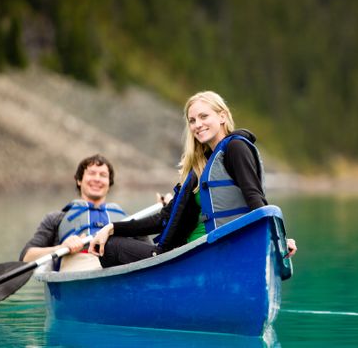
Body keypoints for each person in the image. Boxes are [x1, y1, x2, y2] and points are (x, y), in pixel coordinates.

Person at [88, 90, 297, 266]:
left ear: (222, 116)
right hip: (187, 252)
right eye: (192, 121)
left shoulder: (235, 148)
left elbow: (255, 197)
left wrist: (277, 239)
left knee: (111, 247)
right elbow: (163, 219)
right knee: (113, 238)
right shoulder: (200, 167)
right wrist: (112, 227)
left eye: (204, 117)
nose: (197, 125)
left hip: (209, 253)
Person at [19, 153, 131, 267]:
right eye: (91, 173)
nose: (97, 179)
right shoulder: (56, 218)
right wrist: (62, 248)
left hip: (120, 269)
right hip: (77, 270)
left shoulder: (127, 220)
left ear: (109, 183)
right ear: (79, 180)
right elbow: (26, 257)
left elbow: (148, 254)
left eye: (103, 175)